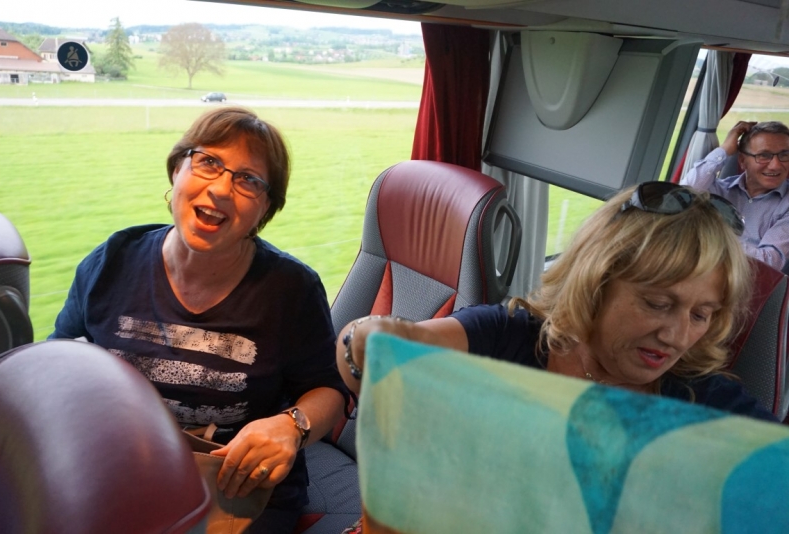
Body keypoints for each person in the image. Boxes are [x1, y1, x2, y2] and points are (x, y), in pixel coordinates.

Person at [50, 106, 349, 531]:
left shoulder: (291, 290)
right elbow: (59, 361)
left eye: (249, 180)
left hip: (235, 489)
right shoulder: (111, 261)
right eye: (208, 162)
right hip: (122, 470)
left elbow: (328, 390)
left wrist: (292, 426)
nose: (222, 189)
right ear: (177, 169)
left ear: (265, 208)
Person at [336, 181, 777, 423]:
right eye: (658, 303)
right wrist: (369, 337)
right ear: (597, 282)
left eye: (701, 314)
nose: (677, 336)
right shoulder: (508, 336)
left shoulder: (702, 399)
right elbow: (367, 346)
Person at [680, 120, 789, 271]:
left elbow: (768, 261)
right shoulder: (719, 189)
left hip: (744, 279)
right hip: (693, 269)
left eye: (785, 155)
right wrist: (724, 150)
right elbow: (681, 197)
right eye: (764, 155)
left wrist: (708, 241)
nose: (776, 165)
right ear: (743, 161)